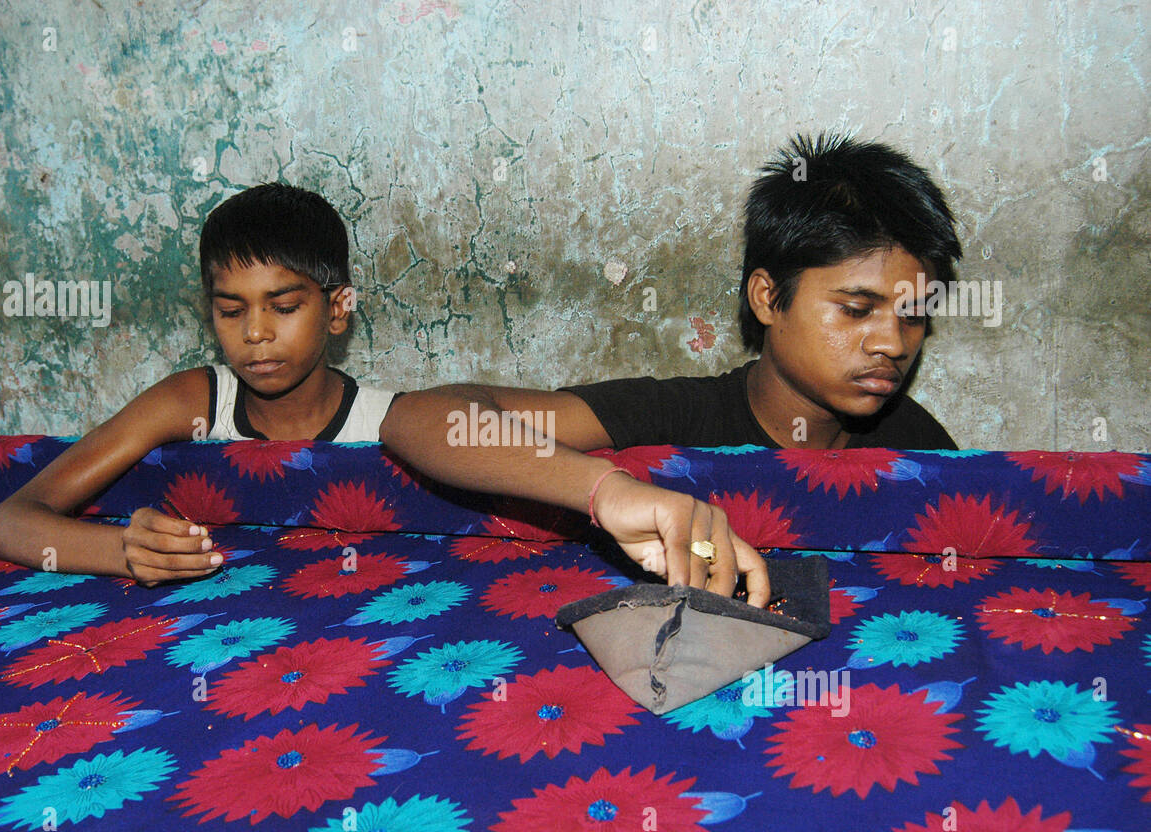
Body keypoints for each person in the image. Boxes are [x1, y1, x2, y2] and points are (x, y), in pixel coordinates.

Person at [380, 133, 964, 608]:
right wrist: (606, 491)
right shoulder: (675, 417)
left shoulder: (921, 453)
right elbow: (421, 420)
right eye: (857, 309)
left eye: (914, 315)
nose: (893, 342)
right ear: (766, 298)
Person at [0, 183, 394, 585]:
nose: (255, 333)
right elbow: (5, 524)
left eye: (283, 307)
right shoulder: (196, 401)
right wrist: (126, 550)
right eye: (231, 311)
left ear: (339, 309)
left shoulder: (386, 421)